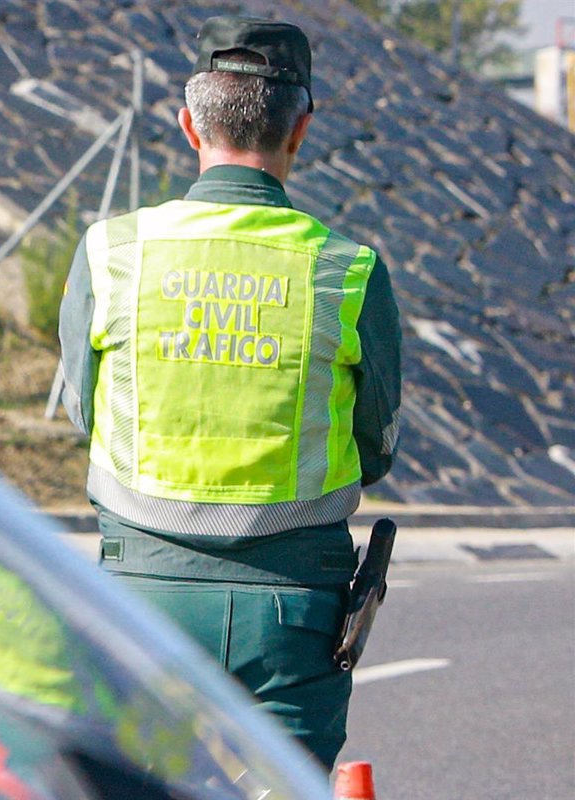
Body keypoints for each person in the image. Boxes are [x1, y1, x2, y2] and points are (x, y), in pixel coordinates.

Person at [58, 15, 402, 771]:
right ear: (300, 131)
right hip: (293, 611)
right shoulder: (347, 271)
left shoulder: (112, 252)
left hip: (141, 595)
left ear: (188, 124)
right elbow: (374, 448)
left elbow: (87, 413)